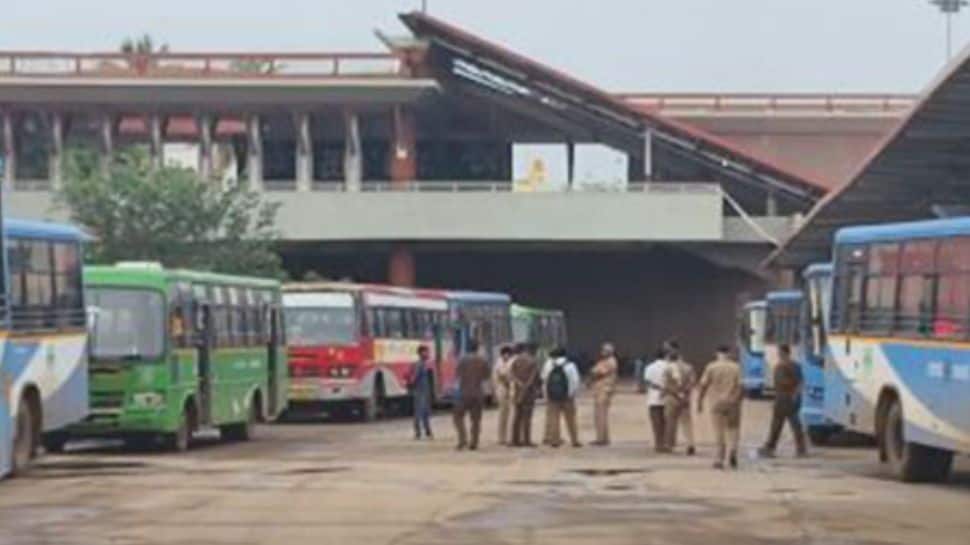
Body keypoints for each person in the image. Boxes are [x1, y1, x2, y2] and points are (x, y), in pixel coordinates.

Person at [697, 345, 743, 469]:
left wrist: (699, 401)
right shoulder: (736, 367)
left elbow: (703, 385)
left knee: (719, 430)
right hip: (733, 402)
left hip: (716, 403)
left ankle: (720, 458)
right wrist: (736, 399)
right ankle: (733, 450)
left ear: (717, 353)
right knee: (733, 429)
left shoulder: (711, 367)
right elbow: (741, 386)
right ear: (729, 353)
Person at [758, 344, 808, 458]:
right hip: (792, 398)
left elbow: (782, 383)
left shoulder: (781, 366)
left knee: (777, 425)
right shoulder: (796, 365)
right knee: (795, 424)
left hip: (783, 398)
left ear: (783, 353)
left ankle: (770, 447)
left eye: (779, 352)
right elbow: (801, 382)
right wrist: (796, 393)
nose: (778, 355)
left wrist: (788, 391)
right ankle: (801, 449)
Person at [453, 339, 491, 451]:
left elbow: (457, 375)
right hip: (477, 394)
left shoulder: (462, 360)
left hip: (463, 394)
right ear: (477, 348)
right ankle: (474, 442)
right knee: (475, 420)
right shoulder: (482, 360)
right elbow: (486, 376)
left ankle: (462, 439)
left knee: (457, 417)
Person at [541, 347, 582, 448]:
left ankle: (555, 440)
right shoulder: (571, 365)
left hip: (553, 397)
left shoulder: (548, 364)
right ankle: (574, 440)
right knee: (571, 419)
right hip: (567, 397)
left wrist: (546, 394)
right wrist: (572, 393)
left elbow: (544, 379)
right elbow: (576, 381)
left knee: (554, 419)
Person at [662, 346, 697, 455]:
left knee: (671, 422)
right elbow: (692, 382)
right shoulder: (688, 368)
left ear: (668, 358)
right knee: (687, 422)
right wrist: (685, 393)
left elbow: (666, 385)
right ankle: (690, 443)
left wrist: (675, 393)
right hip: (685, 398)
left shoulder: (667, 369)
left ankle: (670, 445)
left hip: (672, 398)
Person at [509, 343, 540, 447]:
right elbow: (534, 377)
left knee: (517, 417)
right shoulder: (533, 361)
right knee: (527, 417)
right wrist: (527, 386)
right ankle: (526, 440)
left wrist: (519, 383)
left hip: (517, 392)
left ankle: (515, 440)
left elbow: (511, 375)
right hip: (529, 393)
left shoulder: (516, 361)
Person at [589, 342, 619, 446]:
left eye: (604, 350)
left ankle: (601, 439)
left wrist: (592, 374)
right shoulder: (604, 361)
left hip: (604, 390)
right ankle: (602, 437)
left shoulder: (610, 362)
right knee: (599, 415)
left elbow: (597, 373)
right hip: (600, 389)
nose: (602, 352)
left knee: (601, 415)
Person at [642, 348, 669, 452]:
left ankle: (658, 444)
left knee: (656, 423)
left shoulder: (650, 367)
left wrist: (657, 387)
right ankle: (665, 443)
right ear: (665, 356)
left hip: (653, 397)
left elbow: (647, 382)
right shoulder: (669, 367)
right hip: (667, 396)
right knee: (665, 422)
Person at [407, 345, 434, 440]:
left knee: (425, 412)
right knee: (419, 412)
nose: (427, 354)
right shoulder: (419, 364)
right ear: (421, 353)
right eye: (426, 352)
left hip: (423, 391)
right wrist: (412, 384)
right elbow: (414, 377)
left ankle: (428, 432)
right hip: (420, 391)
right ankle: (418, 432)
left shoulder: (422, 364)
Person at [492, 345, 515, 445]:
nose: (506, 356)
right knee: (502, 415)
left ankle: (511, 437)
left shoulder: (514, 362)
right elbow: (494, 378)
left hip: (512, 390)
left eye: (508, 354)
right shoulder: (497, 363)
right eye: (504, 354)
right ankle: (501, 438)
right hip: (501, 389)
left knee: (512, 415)